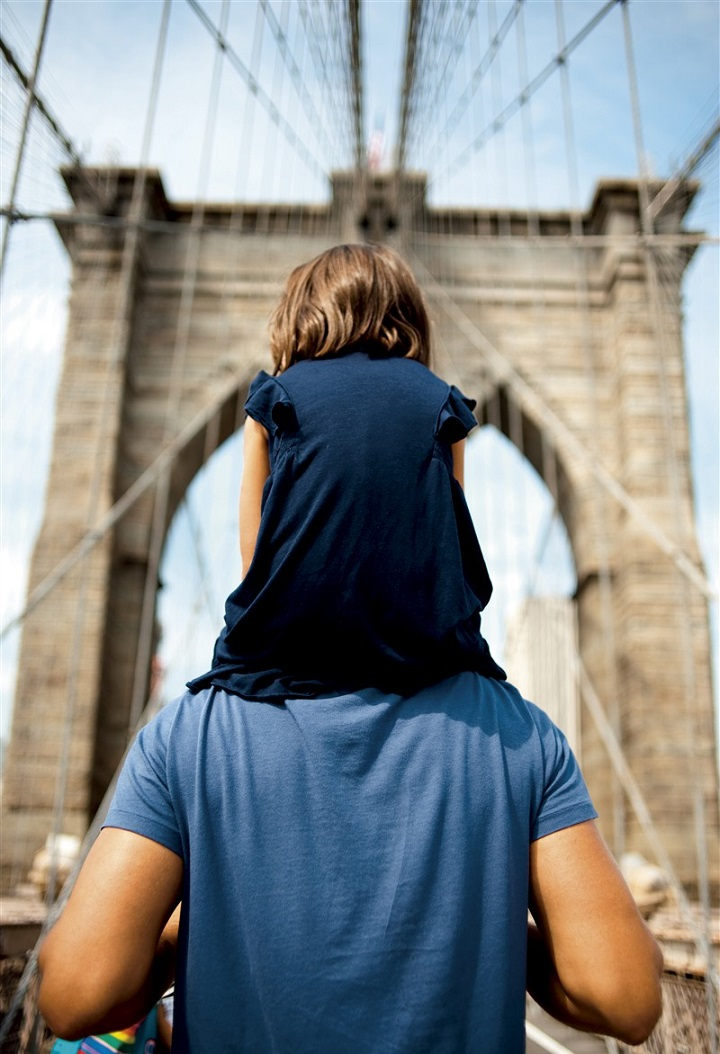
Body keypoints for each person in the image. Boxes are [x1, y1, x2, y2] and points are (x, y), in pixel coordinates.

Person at [37, 245, 662, 1051]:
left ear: (268, 491)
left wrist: (189, 929)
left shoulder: (189, 741)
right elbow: (624, 999)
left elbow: (74, 995)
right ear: (445, 494)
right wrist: (499, 934)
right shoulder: (519, 741)